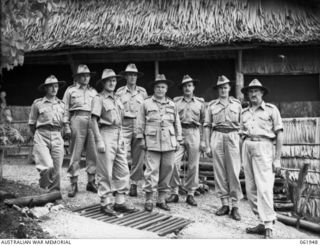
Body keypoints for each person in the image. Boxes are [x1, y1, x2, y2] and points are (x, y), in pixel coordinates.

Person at [240, 79, 283, 239]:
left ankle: (269, 226)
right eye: (250, 92)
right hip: (247, 147)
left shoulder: (271, 110)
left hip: (264, 147)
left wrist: (277, 159)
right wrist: (240, 157)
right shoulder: (244, 113)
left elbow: (280, 135)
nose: (252, 94)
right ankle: (262, 221)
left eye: (256, 91)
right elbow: (241, 135)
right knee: (250, 190)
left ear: (262, 93)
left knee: (264, 188)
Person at [91, 68, 136, 216]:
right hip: (106, 134)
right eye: (109, 80)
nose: (112, 83)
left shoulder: (117, 98)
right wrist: (99, 141)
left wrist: (122, 138)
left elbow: (121, 121)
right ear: (103, 83)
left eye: (114, 80)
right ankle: (105, 203)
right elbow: (93, 121)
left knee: (123, 169)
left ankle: (120, 203)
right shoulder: (99, 98)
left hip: (118, 135)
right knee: (105, 171)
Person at [136, 74, 182, 212]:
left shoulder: (172, 104)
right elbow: (140, 123)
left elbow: (177, 123)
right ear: (154, 89)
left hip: (169, 142)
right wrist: (141, 138)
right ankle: (149, 199)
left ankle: (161, 199)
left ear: (166, 89)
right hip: (152, 142)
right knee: (151, 171)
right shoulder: (146, 103)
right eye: (158, 87)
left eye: (163, 87)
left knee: (167, 170)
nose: (160, 89)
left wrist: (179, 139)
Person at [204, 75, 242, 221]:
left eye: (225, 87)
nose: (223, 90)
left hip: (233, 137)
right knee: (219, 171)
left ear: (229, 88)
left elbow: (242, 127)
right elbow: (207, 126)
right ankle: (224, 204)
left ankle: (236, 206)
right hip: (217, 136)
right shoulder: (212, 105)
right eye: (220, 88)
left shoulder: (237, 104)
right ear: (217, 90)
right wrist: (207, 145)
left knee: (234, 171)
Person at [166, 75, 206, 206]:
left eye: (190, 85)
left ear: (193, 87)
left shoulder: (200, 103)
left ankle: (190, 193)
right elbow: (171, 120)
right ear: (182, 88)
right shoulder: (176, 102)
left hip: (194, 133)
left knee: (193, 165)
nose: (187, 88)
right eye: (185, 86)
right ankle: (174, 192)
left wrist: (203, 140)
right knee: (174, 163)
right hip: (179, 132)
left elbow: (204, 122)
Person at [62, 64, 98, 197]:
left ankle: (91, 182)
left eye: (87, 76)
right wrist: (66, 125)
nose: (85, 78)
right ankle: (74, 182)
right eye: (82, 76)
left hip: (92, 121)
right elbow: (65, 108)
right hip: (76, 119)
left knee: (92, 152)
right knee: (75, 153)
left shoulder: (94, 92)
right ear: (77, 77)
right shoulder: (70, 91)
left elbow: (98, 109)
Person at [28, 75, 67, 193]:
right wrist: (37, 137)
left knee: (57, 170)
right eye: (51, 86)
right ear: (45, 88)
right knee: (47, 166)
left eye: (56, 86)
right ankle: (43, 188)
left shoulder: (62, 105)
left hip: (57, 135)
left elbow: (64, 123)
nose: (54, 89)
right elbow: (32, 123)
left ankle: (54, 194)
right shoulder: (38, 103)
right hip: (41, 134)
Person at [116, 64, 148, 197]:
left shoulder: (143, 92)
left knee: (138, 156)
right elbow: (116, 110)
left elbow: (147, 109)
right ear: (126, 76)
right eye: (130, 74)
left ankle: (134, 184)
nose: (132, 77)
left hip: (139, 125)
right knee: (121, 154)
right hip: (124, 125)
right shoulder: (119, 92)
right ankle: (120, 185)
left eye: (134, 75)